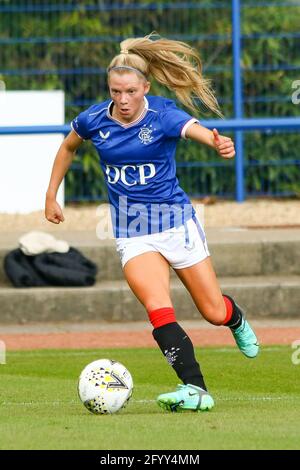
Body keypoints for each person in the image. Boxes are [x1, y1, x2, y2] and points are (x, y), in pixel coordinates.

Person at [45, 33, 259, 413]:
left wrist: (216, 141)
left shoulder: (162, 114)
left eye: (130, 91)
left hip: (176, 223)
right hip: (132, 232)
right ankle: (195, 388)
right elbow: (67, 146)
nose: (123, 100)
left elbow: (193, 130)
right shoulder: (93, 119)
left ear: (145, 87)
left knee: (213, 311)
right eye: (116, 91)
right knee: (159, 309)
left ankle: (236, 318)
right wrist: (51, 194)